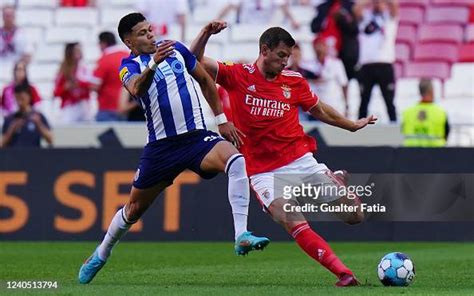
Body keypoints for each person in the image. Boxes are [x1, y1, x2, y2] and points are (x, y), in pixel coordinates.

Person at [78, 13, 270, 284]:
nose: (150, 35)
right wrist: (154, 65)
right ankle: (101, 253)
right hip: (161, 147)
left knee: (236, 160)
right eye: (143, 33)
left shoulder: (176, 48)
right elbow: (135, 88)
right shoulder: (128, 64)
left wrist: (221, 120)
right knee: (133, 209)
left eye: (150, 30)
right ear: (128, 41)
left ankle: (241, 235)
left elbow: (205, 80)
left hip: (196, 138)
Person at [191, 22, 378, 287]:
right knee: (290, 219)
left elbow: (320, 110)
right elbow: (194, 60)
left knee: (354, 216)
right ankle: (343, 273)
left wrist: (351, 125)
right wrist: (206, 33)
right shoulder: (238, 75)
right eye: (281, 56)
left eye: (288, 57)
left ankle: (335, 179)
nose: (285, 62)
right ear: (264, 50)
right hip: (262, 171)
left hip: (300, 160)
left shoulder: (294, 81)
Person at [354, 0, 399, 122]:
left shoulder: (389, 18)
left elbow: (395, 5)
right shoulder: (365, 17)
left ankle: (394, 127)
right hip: (367, 65)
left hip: (385, 64)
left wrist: (382, 2)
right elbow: (356, 8)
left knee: (389, 101)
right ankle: (359, 130)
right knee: (364, 101)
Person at [311, 0, 359, 80]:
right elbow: (314, 27)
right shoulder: (323, 7)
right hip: (327, 47)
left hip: (345, 52)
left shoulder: (350, 6)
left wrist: (342, 18)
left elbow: (354, 29)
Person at [91, 32, 129, 122]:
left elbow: (95, 85)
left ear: (103, 43)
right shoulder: (127, 56)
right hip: (127, 108)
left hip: (108, 108)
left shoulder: (105, 59)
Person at [402, 79, 450, 147]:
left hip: (411, 153)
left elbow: (402, 131)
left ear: (420, 92)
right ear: (432, 91)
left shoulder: (408, 112)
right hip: (435, 153)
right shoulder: (440, 112)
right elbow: (446, 134)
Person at [53, 42, 92, 124]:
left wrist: (79, 84)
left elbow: (91, 85)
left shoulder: (85, 68)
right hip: (69, 106)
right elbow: (56, 92)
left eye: (80, 50)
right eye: (76, 50)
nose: (80, 52)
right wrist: (66, 87)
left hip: (84, 105)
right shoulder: (63, 71)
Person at [217, 0, 300, 29]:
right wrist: (217, 19)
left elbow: (283, 6)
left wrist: (293, 21)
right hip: (246, 28)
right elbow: (230, 6)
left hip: (265, 28)